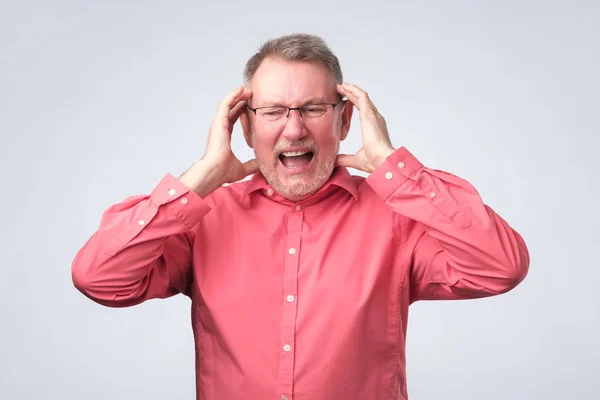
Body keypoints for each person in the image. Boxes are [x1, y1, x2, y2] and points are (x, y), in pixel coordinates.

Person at [71, 33, 530, 400]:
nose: (294, 128)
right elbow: (99, 278)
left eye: (313, 109)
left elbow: (500, 267)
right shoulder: (204, 219)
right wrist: (203, 176)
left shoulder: (398, 217)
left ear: (345, 122)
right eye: (272, 111)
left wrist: (396, 168)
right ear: (245, 126)